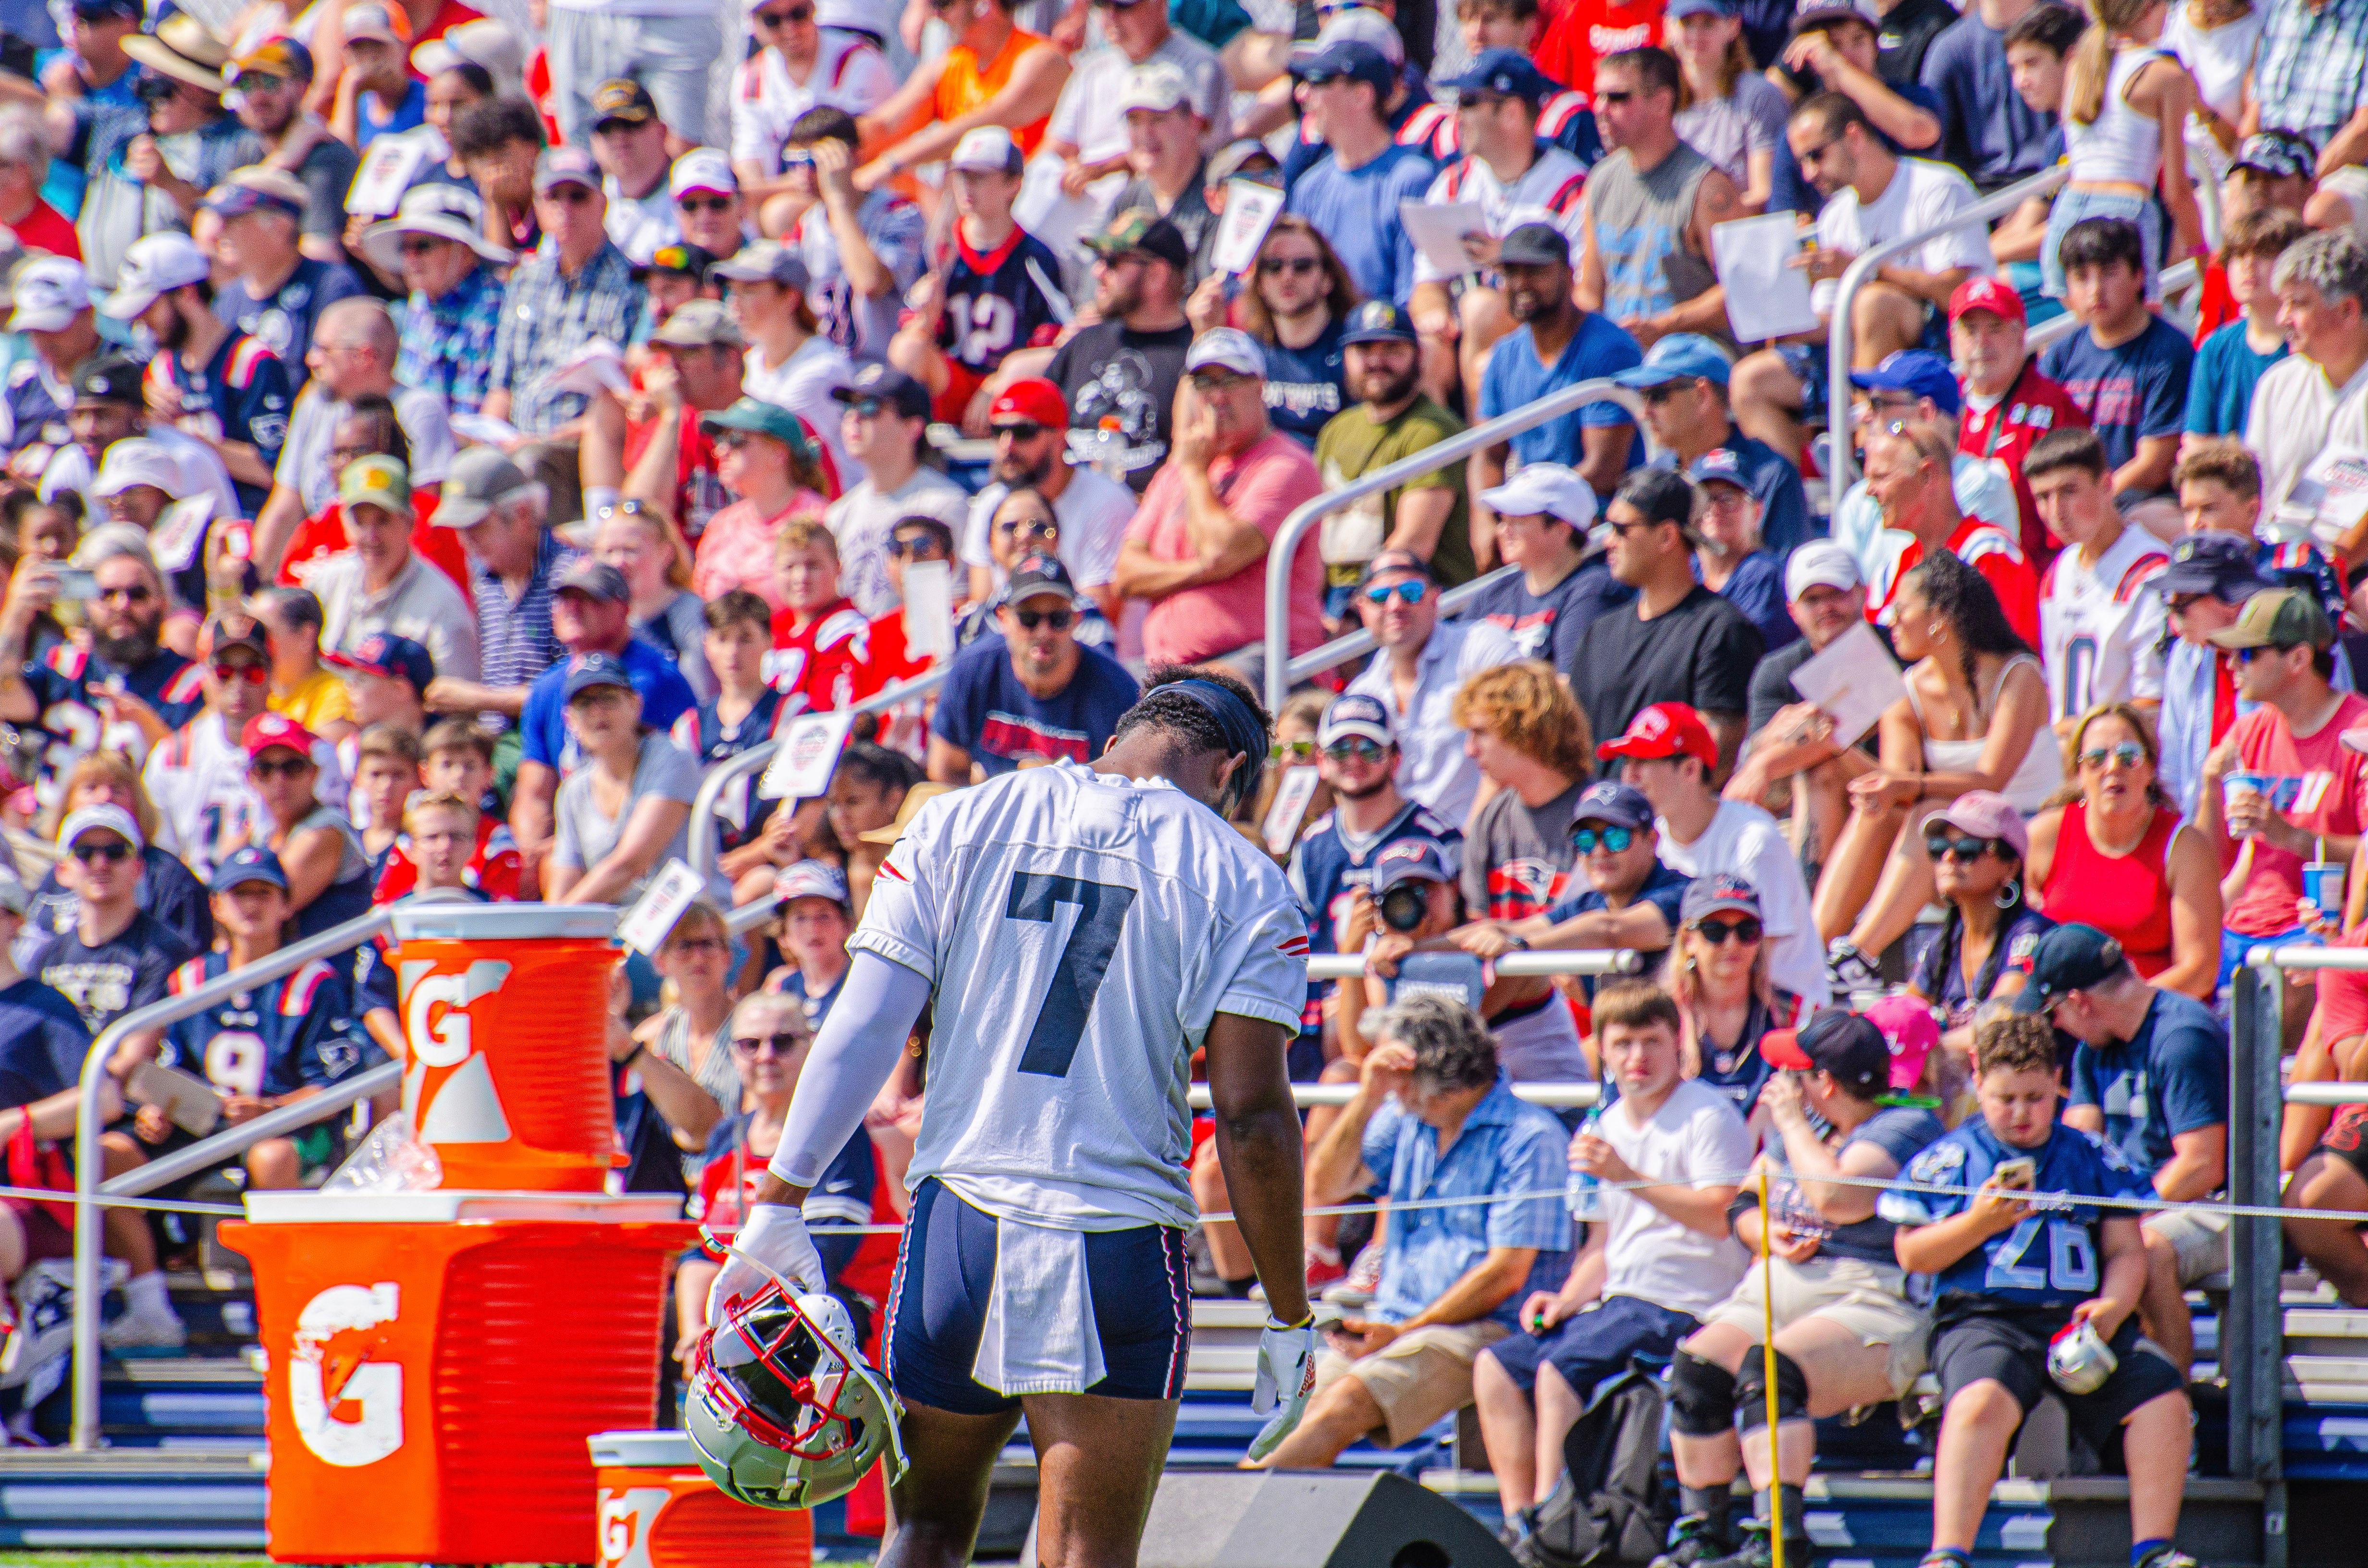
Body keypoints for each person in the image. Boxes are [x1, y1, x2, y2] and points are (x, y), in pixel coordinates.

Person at [710, 668, 1317, 1568]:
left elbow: (867, 1019)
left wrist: (777, 1199)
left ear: (1123, 730)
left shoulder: (962, 814)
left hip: (959, 1225)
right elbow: (1251, 1115)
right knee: (1085, 1554)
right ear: (1228, 767)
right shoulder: (1244, 878)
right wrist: (1287, 1310)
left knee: (921, 1530)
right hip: (1117, 1237)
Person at [1882, 1011, 2197, 1568]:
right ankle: (1947, 1553)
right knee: (1976, 1404)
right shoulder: (1952, 1158)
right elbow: (1912, 1253)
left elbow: (2127, 1250)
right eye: (2005, 1098)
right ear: (1977, 1083)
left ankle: (2154, 1550)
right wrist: (1977, 1223)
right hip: (1984, 1318)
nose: (2021, 1113)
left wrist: (2113, 1306)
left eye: (2034, 1096)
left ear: (2057, 1082)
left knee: (2162, 1399)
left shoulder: (2091, 1156)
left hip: (2079, 1320)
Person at [1656, 1006, 1941, 1568]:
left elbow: (1837, 1197)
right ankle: (1704, 1533)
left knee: (1771, 1369)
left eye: (1797, 1073)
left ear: (1825, 1083)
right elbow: (1741, 1202)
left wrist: (1786, 1121)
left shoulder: (1905, 1125)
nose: (1784, 1084)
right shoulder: (1811, 1127)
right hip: (1783, 1282)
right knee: (1696, 1369)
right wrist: (1763, 1231)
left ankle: (1777, 1540)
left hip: (1870, 1294)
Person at [1253, 994, 1572, 1469]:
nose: (1385, 1078)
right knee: (1296, 1410)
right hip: (1397, 1323)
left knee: (1342, 1407)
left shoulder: (1530, 1137)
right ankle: (1252, 1524)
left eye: (1392, 1066)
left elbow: (1505, 1274)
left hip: (1483, 1331)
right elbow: (1323, 1186)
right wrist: (1366, 1097)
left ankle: (1231, 1530)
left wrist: (1403, 1330)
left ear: (1430, 1070)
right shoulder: (1407, 1118)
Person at [1474, 981, 1751, 1526]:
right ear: (1600, 1048)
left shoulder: (1707, 1116)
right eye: (1623, 1043)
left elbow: (1720, 1218)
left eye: (1651, 1042)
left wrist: (1627, 1176)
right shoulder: (1603, 1126)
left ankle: (1558, 1527)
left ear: (1678, 1042)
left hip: (1688, 1303)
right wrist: (1564, 1299)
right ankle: (1519, 1521)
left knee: (1560, 1369)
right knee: (1496, 1367)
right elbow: (1603, 1246)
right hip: (1620, 1302)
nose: (1637, 1058)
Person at [1819, 551, 2057, 985]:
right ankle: (1820, 954)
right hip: (1955, 839)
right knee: (1886, 812)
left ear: (1939, 617)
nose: (1889, 619)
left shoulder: (2018, 676)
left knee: (1924, 813)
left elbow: (1992, 780)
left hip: (2027, 827)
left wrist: (1902, 785)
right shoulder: (1907, 692)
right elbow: (1900, 787)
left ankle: (1861, 952)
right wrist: (1839, 749)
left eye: (1900, 609)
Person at [1727, 94, 1990, 462]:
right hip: (1853, 355)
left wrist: (1865, 269)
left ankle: (1861, 449)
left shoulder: (1937, 188)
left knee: (1873, 303)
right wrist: (1779, 317)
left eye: (1816, 155)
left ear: (1854, 137)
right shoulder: (1836, 214)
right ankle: (1791, 504)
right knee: (1749, 380)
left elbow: (1959, 293)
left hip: (1934, 347)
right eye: (1802, 161)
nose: (1808, 173)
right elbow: (1832, 321)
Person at [2025, 922, 2231, 1374]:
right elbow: (2078, 1143)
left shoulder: (2181, 1038)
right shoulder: (2092, 1050)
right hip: (2137, 1203)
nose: (2055, 1026)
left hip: (2222, 1206)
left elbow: (2201, 1165)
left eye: (2054, 1013)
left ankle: (2173, 1403)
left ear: (2080, 1001)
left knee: (2147, 1250)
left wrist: (2121, 1218)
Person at [146, 846, 383, 1191]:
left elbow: (334, 1091)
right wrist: (158, 1110)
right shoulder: (191, 980)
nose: (252, 905)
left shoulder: (313, 982)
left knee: (271, 1158)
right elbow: (173, 1069)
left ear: (286, 905)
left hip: (290, 1129)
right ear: (216, 906)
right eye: (240, 894)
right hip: (205, 1127)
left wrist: (271, 1108)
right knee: (114, 1156)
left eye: (264, 893)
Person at [1113, 329, 1324, 675]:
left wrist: (1197, 474)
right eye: (1205, 384)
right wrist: (1200, 571)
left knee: (1192, 703)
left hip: (1261, 659)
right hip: (1167, 666)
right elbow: (1126, 575)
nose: (1217, 397)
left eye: (1230, 380)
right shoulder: (1176, 471)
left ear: (1259, 385)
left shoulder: (1287, 464)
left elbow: (1221, 552)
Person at [2198, 588, 2368, 992]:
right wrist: (2209, 787)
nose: (2233, 667)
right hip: (2237, 928)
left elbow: (2367, 851)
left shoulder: (2359, 734)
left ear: (2299, 658)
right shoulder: (2248, 732)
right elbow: (2210, 861)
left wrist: (2289, 836)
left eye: (2248, 654)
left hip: (2313, 928)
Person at [1407, 49, 1590, 405]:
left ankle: (1485, 455)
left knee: (1480, 309)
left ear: (1510, 112)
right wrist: (1434, 315)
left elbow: (1584, 297)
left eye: (1469, 102)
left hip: (1546, 335)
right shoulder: (1452, 184)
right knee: (1425, 352)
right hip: (1465, 339)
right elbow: (1426, 285)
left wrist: (1507, 259)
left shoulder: (1571, 188)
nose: (1456, 116)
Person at [1566, 469, 1764, 771]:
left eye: (1621, 529)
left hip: (1670, 816)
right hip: (1596, 815)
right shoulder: (1598, 633)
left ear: (1667, 536)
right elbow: (1573, 748)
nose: (1607, 541)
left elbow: (1715, 762)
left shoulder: (1721, 630)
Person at [483, 147, 643, 518]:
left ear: (602, 202)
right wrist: (490, 434)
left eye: (578, 196)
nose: (565, 209)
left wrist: (538, 441)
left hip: (581, 448)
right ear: (537, 205)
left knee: (530, 467)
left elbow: (621, 404)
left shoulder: (632, 286)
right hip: (517, 439)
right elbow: (501, 386)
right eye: (553, 196)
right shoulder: (525, 279)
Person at [509, 559, 697, 864]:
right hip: (576, 835)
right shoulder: (546, 689)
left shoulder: (649, 681)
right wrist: (530, 849)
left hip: (645, 842)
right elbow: (534, 791)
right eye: (565, 598)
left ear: (622, 609)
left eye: (590, 599)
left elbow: (636, 794)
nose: (574, 608)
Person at [0, 530, 204, 807]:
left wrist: (149, 727)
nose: (122, 605)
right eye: (107, 594)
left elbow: (197, 778)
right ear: (87, 603)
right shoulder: (63, 667)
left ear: (163, 603)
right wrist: (17, 610)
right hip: (49, 836)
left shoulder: (190, 684)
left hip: (139, 843)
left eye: (138, 594)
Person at [103, 231, 295, 514]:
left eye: (149, 309)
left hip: (248, 520)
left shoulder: (252, 361)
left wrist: (182, 436)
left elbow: (270, 471)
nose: (141, 324)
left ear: (188, 293)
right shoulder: (159, 372)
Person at [886, 128, 1064, 429]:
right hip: (952, 380)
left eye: (981, 178)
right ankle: (912, 436)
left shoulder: (1035, 256)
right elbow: (915, 333)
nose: (968, 188)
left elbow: (1049, 340)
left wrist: (996, 383)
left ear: (1013, 185)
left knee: (1020, 369)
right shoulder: (940, 250)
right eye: (962, 177)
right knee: (907, 348)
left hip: (1005, 387)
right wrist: (927, 313)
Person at [1471, 220, 1645, 528]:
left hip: (1596, 527)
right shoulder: (1504, 355)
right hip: (1531, 523)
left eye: (1535, 271)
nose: (1521, 283)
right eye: (1511, 273)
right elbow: (1488, 456)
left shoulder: (1609, 349)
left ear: (1569, 274)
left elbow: (1604, 472)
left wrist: (1524, 515)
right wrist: (1486, 523)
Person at [1341, 551, 1522, 824]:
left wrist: (1470, 846)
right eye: (1379, 596)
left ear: (1435, 598)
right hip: (1401, 854)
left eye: (1410, 591)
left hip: (1484, 837)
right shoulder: (1361, 694)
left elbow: (1521, 739)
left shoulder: (1480, 646)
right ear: (1361, 609)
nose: (1395, 605)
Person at [1312, 303, 1473, 603]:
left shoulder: (1433, 429)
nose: (1377, 361)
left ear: (1418, 355)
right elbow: (1314, 534)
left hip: (1414, 596)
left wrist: (1353, 609)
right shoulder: (1336, 429)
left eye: (1392, 349)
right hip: (1337, 596)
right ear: (1344, 358)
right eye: (1364, 350)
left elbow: (1412, 545)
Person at [1578, 47, 1739, 346]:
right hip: (1621, 356)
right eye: (1598, 96)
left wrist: (1664, 326)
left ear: (1662, 102)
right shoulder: (1599, 181)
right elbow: (1590, 289)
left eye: (1617, 98)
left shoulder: (1708, 187)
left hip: (1692, 359)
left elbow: (1739, 290)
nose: (1600, 108)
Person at [927, 553, 1140, 779]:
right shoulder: (974, 669)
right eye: (1028, 618)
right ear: (1003, 619)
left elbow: (1128, 787)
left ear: (1077, 620)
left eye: (1058, 619)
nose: (1043, 632)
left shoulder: (1116, 690)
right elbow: (945, 771)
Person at [2038, 218, 2195, 516]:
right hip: (2071, 507)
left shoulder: (2170, 352)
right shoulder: (2060, 355)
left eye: (2109, 274)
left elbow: (2155, 465)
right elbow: (2043, 449)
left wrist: (2092, 502)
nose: (2096, 290)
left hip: (2143, 506)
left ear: (2138, 276)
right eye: (2082, 277)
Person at [1038, 209, 1194, 494]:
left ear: (1158, 275)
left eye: (1112, 261)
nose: (1098, 272)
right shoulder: (1083, 344)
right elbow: (1037, 434)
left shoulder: (1193, 358)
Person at [2029, 427, 2170, 727]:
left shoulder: (2152, 574)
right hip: (2068, 759)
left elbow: (2152, 703)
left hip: (2121, 757)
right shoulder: (2059, 572)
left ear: (2107, 484)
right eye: (2043, 497)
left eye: (2069, 491)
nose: (2056, 511)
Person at [1623, 333, 1813, 555]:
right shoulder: (1658, 473)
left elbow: (1786, 577)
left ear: (1702, 395)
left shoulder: (1769, 474)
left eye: (1656, 395)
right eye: (1642, 396)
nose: (1643, 413)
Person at [1279, 40, 1434, 310]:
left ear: (1363, 95)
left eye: (1319, 82)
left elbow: (1411, 298)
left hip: (1381, 342)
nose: (1302, 94)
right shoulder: (1308, 187)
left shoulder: (1412, 179)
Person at [1949, 275, 2091, 566]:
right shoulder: (1945, 407)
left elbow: (2072, 523)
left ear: (2021, 334)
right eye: (1971, 330)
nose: (1982, 342)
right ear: (1953, 339)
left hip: (2029, 576)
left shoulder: (2051, 407)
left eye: (1995, 328)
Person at [960, 379, 1137, 612]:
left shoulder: (1105, 499)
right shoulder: (991, 502)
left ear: (1059, 436)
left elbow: (1100, 612)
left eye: (1023, 432)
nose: (1007, 445)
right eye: (998, 431)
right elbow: (982, 604)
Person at [1905, 790, 2054, 1065]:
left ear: (2010, 867)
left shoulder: (2032, 934)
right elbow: (1905, 1017)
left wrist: (1922, 1050)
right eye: (1939, 849)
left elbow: (2000, 1021)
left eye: (1967, 849)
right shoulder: (1943, 944)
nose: (1949, 858)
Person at [1861, 421, 2040, 650]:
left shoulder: (1988, 555)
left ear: (1927, 476)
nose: (1870, 491)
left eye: (1881, 477)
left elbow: (2011, 663)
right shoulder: (1890, 574)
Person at [1186, 214, 1355, 453]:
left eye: (1302, 266)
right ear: (1260, 283)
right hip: (1264, 474)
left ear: (1328, 279)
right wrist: (1204, 336)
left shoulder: (1354, 348)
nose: (1287, 276)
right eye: (1273, 267)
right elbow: (1198, 430)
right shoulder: (1247, 352)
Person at [853, 0, 1067, 186]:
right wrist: (832, 141)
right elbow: (886, 126)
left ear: (982, 5)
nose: (934, 15)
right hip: (977, 212)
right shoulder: (949, 64)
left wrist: (891, 163)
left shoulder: (1040, 59)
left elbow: (984, 124)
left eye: (943, 3)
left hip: (1028, 214)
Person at [543, 652, 700, 906]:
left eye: (609, 699)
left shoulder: (672, 759)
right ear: (569, 720)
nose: (598, 712)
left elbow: (630, 865)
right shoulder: (574, 791)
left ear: (636, 705)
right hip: (612, 933)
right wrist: (552, 929)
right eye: (584, 704)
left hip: (686, 930)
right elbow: (563, 882)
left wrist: (559, 922)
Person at [308, 456, 482, 681]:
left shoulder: (443, 604)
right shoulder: (324, 582)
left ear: (410, 522)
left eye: (383, 521)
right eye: (360, 522)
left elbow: (456, 708)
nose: (372, 537)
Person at [21, 754, 212, 959]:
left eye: (117, 789)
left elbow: (188, 952)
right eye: (91, 788)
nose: (105, 797)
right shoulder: (56, 875)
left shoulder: (167, 875)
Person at [34, 801, 199, 1037]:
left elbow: (135, 1054)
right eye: (85, 853)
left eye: (115, 853)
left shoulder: (168, 952)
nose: (101, 864)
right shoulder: (46, 958)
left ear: (138, 868)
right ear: (62, 871)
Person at [779, 107, 927, 366]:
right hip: (828, 369)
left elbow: (870, 283)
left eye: (814, 162)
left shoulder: (899, 213)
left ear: (854, 157)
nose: (803, 174)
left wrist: (838, 202)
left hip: (884, 369)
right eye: (794, 163)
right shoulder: (806, 226)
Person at [824, 365, 968, 619]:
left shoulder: (945, 505)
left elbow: (958, 603)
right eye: (849, 408)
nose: (854, 419)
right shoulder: (839, 512)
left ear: (912, 428)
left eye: (870, 409)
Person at [204, 168, 366, 392]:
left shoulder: (331, 284)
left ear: (281, 227)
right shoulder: (228, 298)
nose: (219, 233)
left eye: (232, 220)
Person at [729, 0, 898, 208]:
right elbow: (748, 160)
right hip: (792, 192)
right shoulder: (750, 76)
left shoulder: (858, 59)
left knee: (780, 212)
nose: (789, 28)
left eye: (797, 14)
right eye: (773, 20)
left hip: (864, 194)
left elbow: (858, 158)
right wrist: (754, 193)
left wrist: (762, 191)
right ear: (755, 27)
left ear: (813, 10)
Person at [714, 241, 854, 490]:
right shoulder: (751, 361)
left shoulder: (822, 370)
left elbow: (789, 465)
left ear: (790, 297)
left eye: (749, 291)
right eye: (733, 292)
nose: (735, 304)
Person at [366, 184, 511, 422]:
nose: (410, 258)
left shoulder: (492, 304)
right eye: (405, 247)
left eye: (423, 246)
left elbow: (469, 408)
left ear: (463, 251)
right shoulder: (421, 301)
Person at [1465, 464, 1633, 667]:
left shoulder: (1594, 591)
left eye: (1517, 520)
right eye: (1502, 520)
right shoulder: (1492, 595)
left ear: (1562, 529)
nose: (1503, 531)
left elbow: (1570, 686)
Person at [2252, 230, 2368, 525]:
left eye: (2299, 304)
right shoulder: (2277, 384)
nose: (2282, 319)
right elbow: (2255, 495)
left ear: (2347, 311)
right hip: (2278, 557)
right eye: (2283, 304)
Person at [690, 396, 834, 612]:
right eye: (720, 440)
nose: (721, 451)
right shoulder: (721, 525)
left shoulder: (822, 520)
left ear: (778, 454)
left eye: (736, 440)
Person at [2185, 209, 2305, 441]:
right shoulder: (2215, 348)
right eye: (2239, 255)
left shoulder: (2310, 346)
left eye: (2264, 255)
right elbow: (2196, 441)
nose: (2249, 265)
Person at [1918, 0, 2061, 193]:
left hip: (2058, 178)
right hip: (1984, 193)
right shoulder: (1949, 48)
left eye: (2031, 63)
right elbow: (1931, 145)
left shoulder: (2064, 26)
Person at [630, 901, 745, 1133]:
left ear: (727, 957)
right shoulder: (651, 1036)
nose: (698, 958)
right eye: (684, 946)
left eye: (708, 944)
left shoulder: (753, 1030)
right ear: (661, 962)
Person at [1669, 0, 1791, 212]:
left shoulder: (1758, 95)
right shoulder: (1662, 102)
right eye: (1687, 24)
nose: (1697, 36)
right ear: (1669, 27)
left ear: (1733, 27)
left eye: (1708, 24)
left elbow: (1766, 193)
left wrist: (1704, 220)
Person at [595, 501, 713, 701]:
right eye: (609, 552)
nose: (619, 562)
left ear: (666, 553)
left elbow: (701, 698)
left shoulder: (694, 614)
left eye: (630, 550)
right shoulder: (595, 621)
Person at [1690, 449, 1795, 652]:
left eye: (1728, 498)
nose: (1715, 508)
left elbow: (1733, 652)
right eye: (1704, 498)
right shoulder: (1685, 569)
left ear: (1756, 512)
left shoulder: (1763, 575)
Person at [765, 860, 855, 1024]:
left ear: (846, 926)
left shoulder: (864, 982)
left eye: (824, 916)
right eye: (800, 918)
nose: (813, 929)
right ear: (783, 935)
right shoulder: (781, 989)